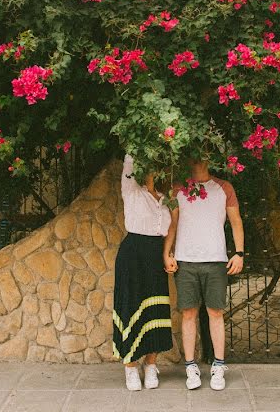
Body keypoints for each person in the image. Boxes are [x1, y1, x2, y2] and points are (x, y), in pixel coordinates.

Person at [163, 159, 244, 391]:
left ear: (209, 157)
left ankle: (219, 366)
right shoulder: (178, 189)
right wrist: (166, 252)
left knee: (215, 312)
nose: (198, 159)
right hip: (186, 261)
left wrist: (239, 253)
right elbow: (173, 223)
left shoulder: (224, 188)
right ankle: (191, 367)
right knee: (188, 314)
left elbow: (236, 221)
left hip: (216, 260)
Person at [112, 154, 173, 391]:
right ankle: (130, 367)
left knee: (155, 309)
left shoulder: (166, 199)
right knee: (130, 307)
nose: (156, 171)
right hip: (133, 254)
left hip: (155, 256)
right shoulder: (132, 190)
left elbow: (169, 231)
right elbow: (129, 157)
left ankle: (150, 365)